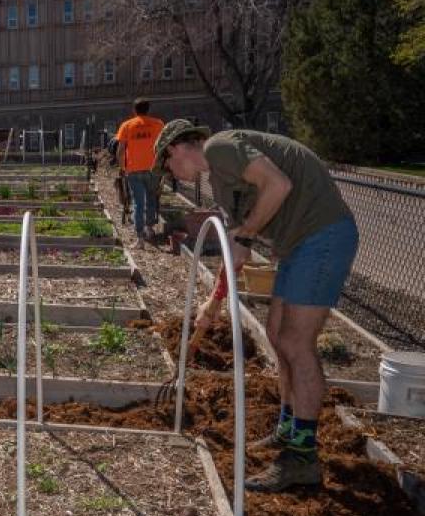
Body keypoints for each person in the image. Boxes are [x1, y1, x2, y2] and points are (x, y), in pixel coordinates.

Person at [152, 120, 359, 492]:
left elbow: (279, 185)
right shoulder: (219, 181)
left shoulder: (220, 146)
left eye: (167, 168)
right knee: (277, 336)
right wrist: (213, 301)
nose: (173, 176)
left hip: (322, 234)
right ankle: (288, 427)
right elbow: (237, 249)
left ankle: (302, 456)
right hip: (298, 245)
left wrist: (246, 234)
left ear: (175, 149)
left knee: (297, 343)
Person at [115, 99, 165, 244]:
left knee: (138, 203)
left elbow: (120, 151)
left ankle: (140, 238)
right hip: (153, 169)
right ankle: (149, 228)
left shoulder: (127, 125)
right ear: (148, 110)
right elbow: (163, 146)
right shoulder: (158, 124)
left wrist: (122, 167)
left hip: (134, 169)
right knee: (151, 199)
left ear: (134, 110)